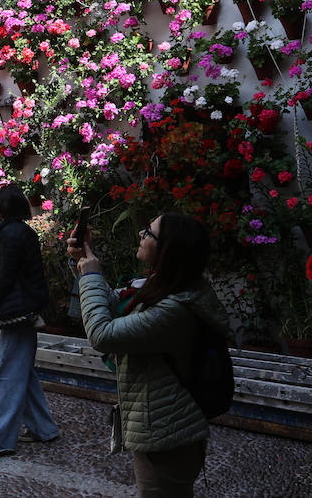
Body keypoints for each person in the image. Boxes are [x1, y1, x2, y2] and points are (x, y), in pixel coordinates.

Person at [68, 212, 230, 497]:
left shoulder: (175, 310)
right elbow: (115, 303)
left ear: (168, 250)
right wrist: (84, 263)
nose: (141, 235)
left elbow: (102, 334)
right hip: (165, 428)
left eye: (149, 232)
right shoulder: (168, 287)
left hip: (167, 437)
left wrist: (91, 275)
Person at [0, 183, 61, 456]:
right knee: (22, 372)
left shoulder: (10, 234)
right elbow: (11, 272)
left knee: (7, 375)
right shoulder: (21, 232)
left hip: (17, 313)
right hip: (25, 309)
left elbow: (7, 279)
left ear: (3, 206)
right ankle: (43, 429)